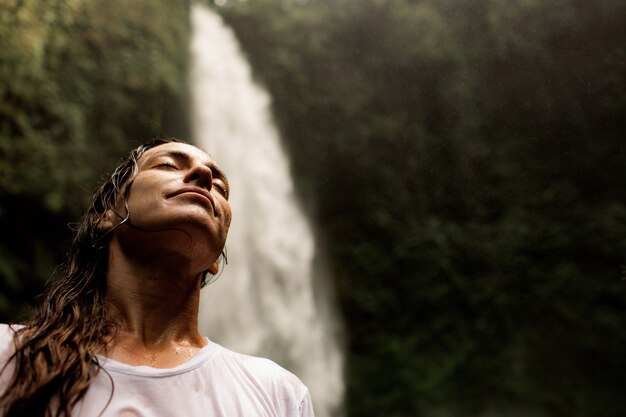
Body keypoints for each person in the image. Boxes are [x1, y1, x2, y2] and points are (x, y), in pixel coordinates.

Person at [0, 138, 314, 417]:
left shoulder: (278, 394)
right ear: (107, 214)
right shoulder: (9, 355)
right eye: (167, 164)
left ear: (216, 260)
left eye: (220, 188)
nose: (204, 177)